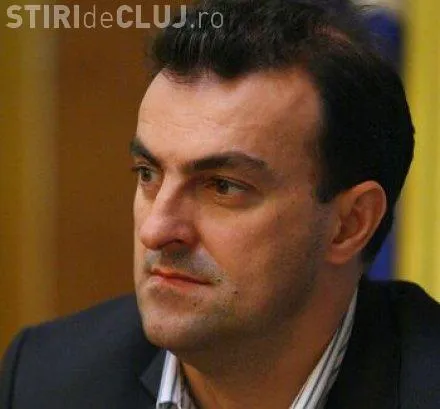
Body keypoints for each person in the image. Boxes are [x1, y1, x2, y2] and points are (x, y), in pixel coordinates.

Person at [1, 1, 439, 408]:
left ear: (350, 224)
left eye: (223, 186)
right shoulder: (47, 379)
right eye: (148, 174)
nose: (155, 230)